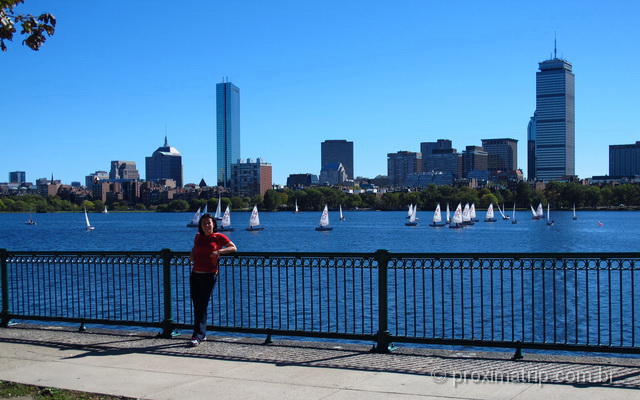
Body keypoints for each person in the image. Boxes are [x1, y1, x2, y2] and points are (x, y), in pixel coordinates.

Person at [188, 212, 237, 347]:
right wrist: (192, 255)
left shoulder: (218, 236)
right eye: (204, 223)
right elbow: (195, 248)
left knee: (202, 305)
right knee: (196, 304)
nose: (206, 225)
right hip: (195, 274)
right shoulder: (198, 237)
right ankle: (201, 333)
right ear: (201, 226)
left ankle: (196, 335)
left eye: (209, 223)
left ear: (213, 224)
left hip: (209, 274)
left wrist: (219, 252)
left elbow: (233, 247)